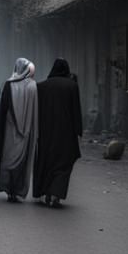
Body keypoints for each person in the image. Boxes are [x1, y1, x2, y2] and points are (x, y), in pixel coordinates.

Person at [33, 58, 83, 208]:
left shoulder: (41, 86)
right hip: (66, 133)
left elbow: (37, 111)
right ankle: (56, 194)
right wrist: (78, 130)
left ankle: (47, 191)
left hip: (46, 132)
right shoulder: (72, 86)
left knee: (47, 162)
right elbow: (76, 110)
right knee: (63, 164)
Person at [0, 57, 37, 202]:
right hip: (26, 132)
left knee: (8, 159)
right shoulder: (32, 86)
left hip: (9, 130)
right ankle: (17, 190)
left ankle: (9, 190)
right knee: (21, 161)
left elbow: (2, 110)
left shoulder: (8, 84)